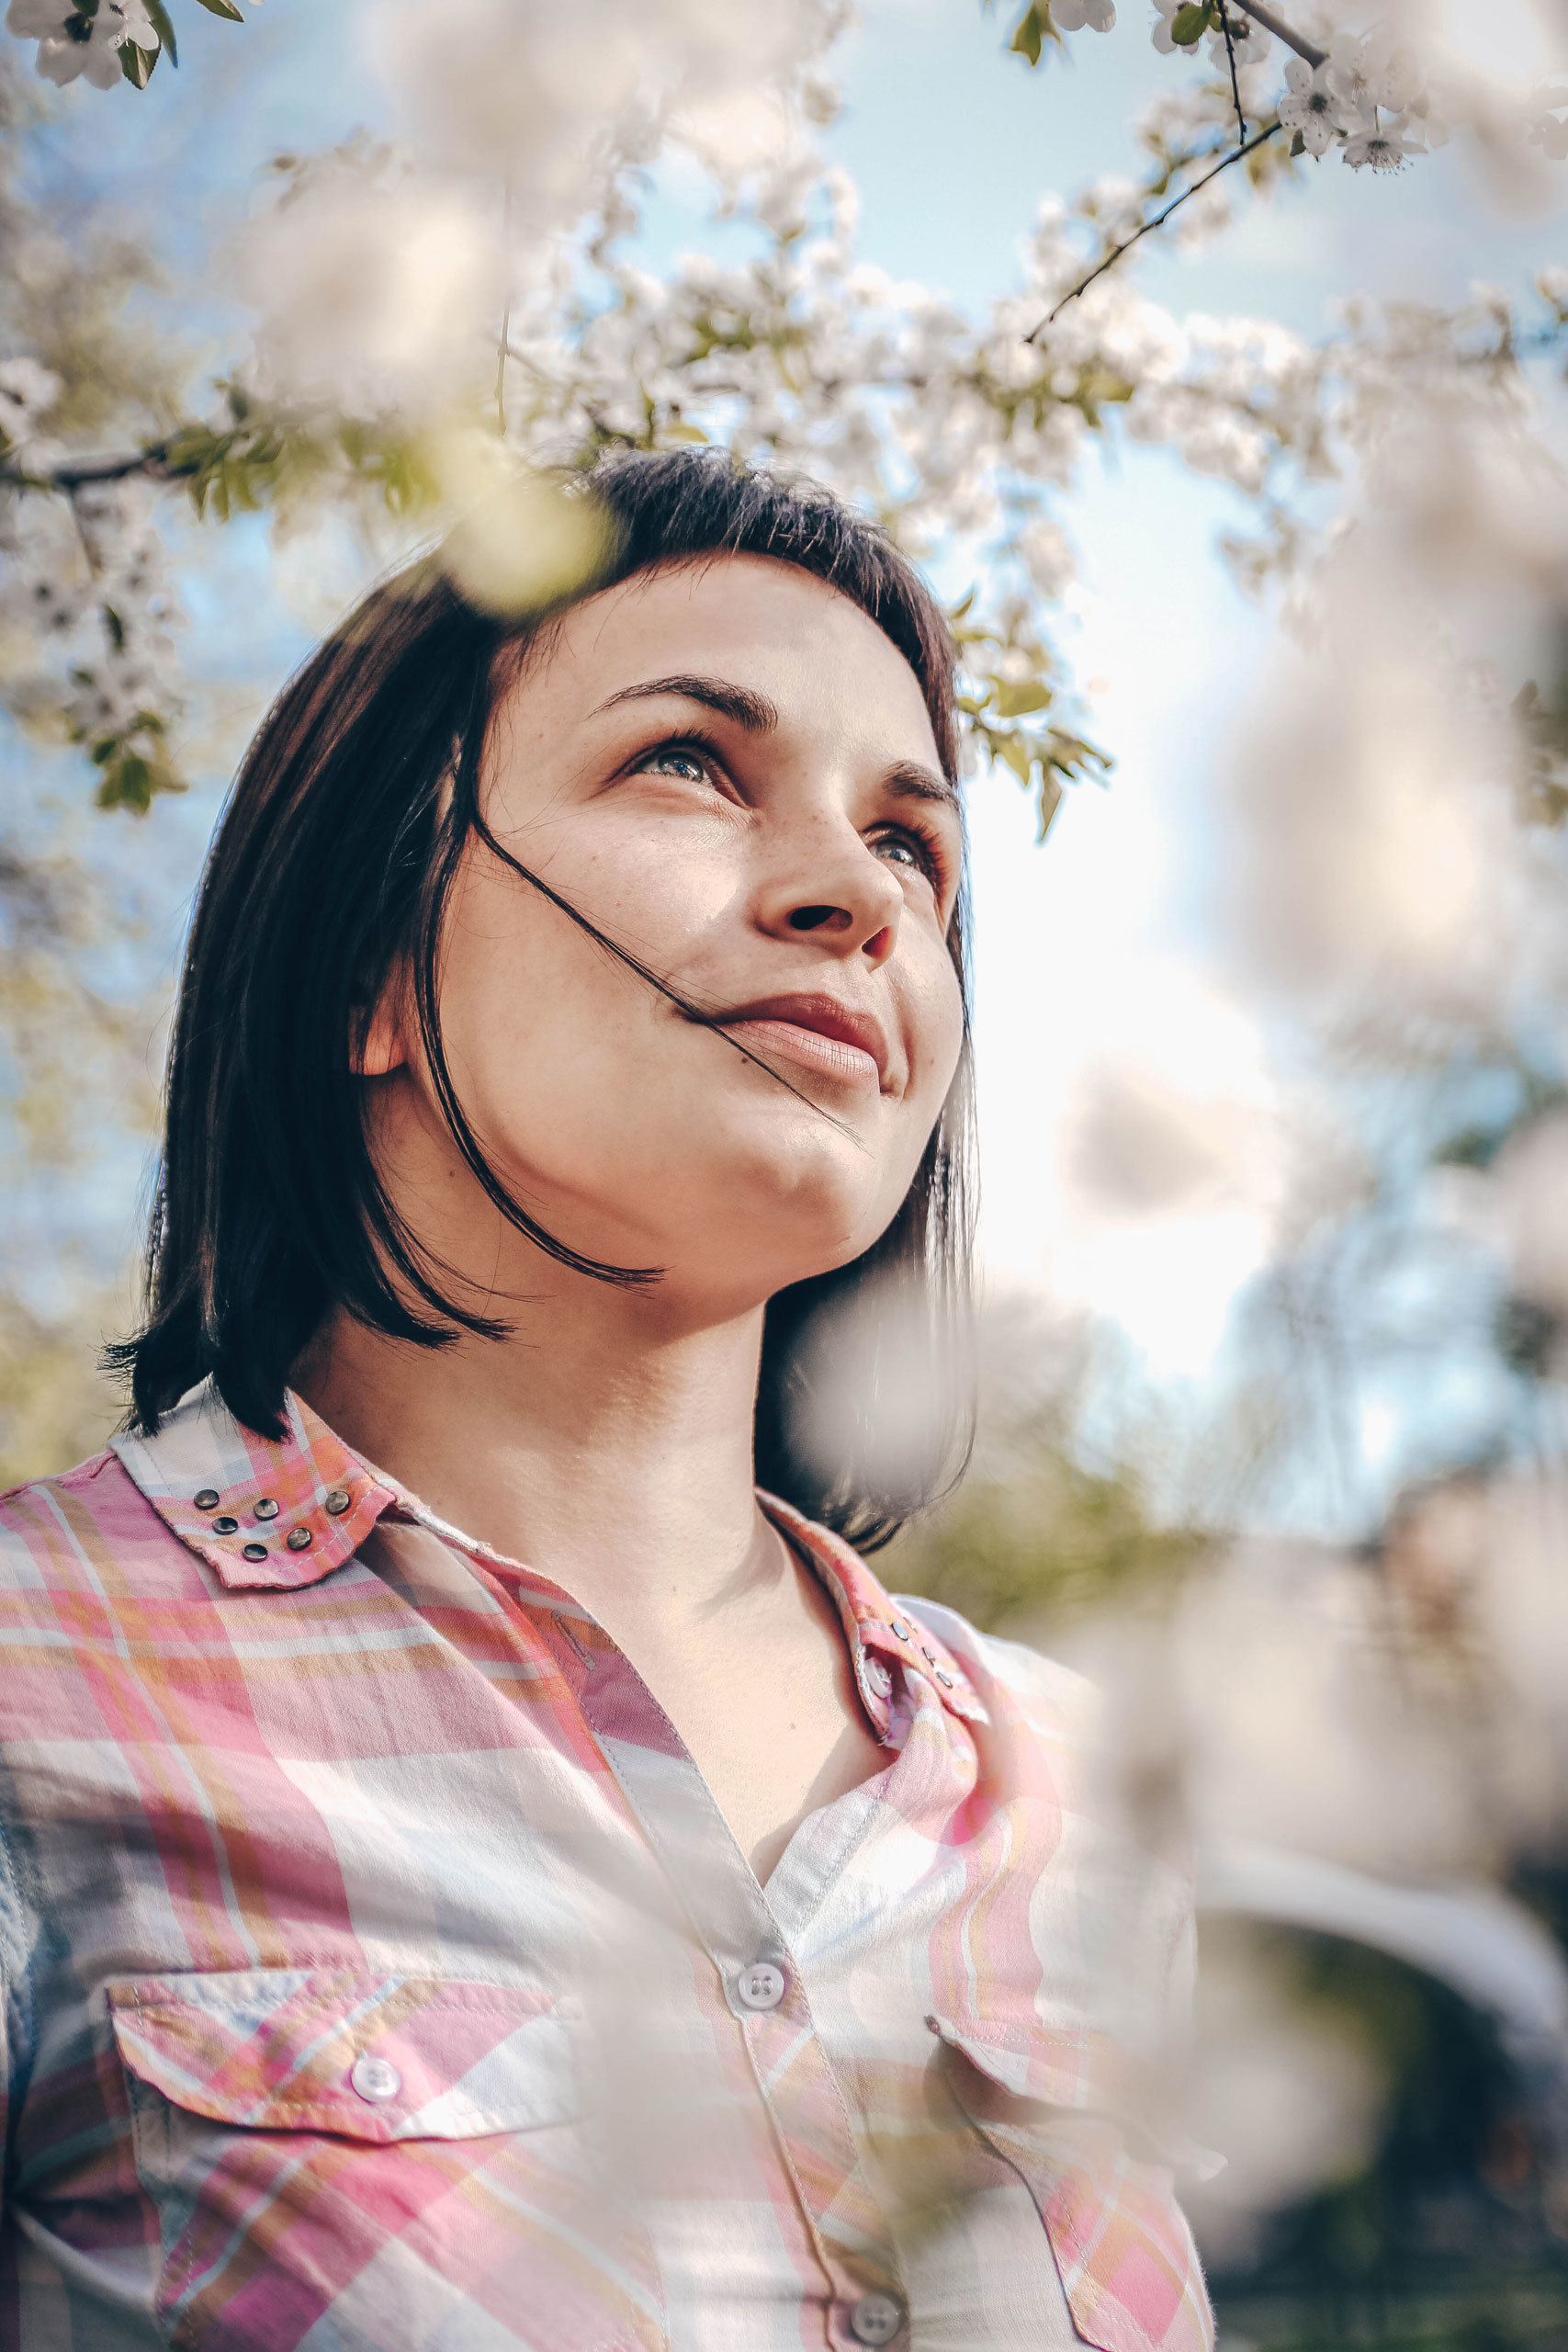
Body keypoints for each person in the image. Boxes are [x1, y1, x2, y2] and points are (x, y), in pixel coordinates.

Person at [0, 451, 1212, 2352]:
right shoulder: (32, 1677)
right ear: (372, 961)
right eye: (687, 763)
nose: (855, 894)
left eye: (913, 844)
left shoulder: (1074, 1793)